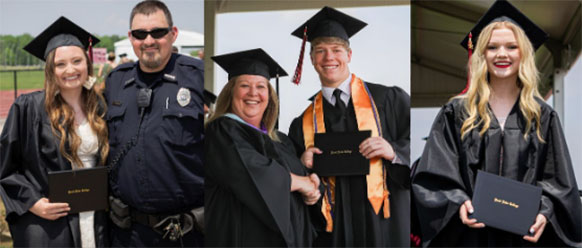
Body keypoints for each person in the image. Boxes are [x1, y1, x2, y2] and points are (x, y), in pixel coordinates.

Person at [411, 1, 582, 246]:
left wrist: (544, 212)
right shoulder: (457, 112)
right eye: (492, 47)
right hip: (469, 236)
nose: (502, 54)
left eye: (511, 46)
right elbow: (434, 176)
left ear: (523, 53)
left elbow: (560, 184)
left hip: (524, 237)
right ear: (482, 55)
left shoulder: (542, 116)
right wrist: (458, 202)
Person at [287, 6, 411, 247]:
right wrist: (302, 164)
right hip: (335, 231)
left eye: (336, 50)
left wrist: (395, 153)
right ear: (311, 59)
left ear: (349, 55)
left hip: (386, 224)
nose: (329, 58)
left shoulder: (389, 100)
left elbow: (422, 149)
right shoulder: (302, 123)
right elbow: (296, 185)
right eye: (320, 51)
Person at [0, 16, 109, 247]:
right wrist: (33, 203)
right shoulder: (28, 108)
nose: (70, 69)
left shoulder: (100, 106)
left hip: (96, 218)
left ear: (87, 64)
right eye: (61, 64)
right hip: (51, 225)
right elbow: (6, 168)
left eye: (77, 61)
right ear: (51, 69)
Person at [104, 0, 204, 246]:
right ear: (131, 37)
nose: (148, 41)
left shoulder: (200, 77)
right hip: (129, 234)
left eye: (158, 32)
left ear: (173, 33)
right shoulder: (115, 81)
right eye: (140, 34)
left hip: (186, 233)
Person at [205, 48, 320, 247]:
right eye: (244, 85)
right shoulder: (221, 131)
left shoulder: (281, 140)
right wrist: (302, 183)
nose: (253, 93)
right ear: (231, 92)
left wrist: (309, 176)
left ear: (270, 95)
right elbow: (251, 171)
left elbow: (300, 181)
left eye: (261, 86)